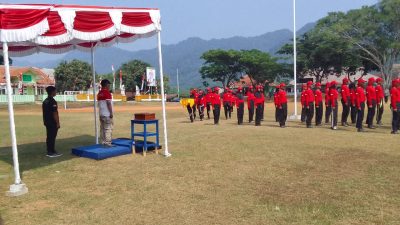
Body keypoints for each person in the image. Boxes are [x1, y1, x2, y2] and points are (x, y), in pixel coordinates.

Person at [42, 86, 62, 157]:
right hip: (52, 122)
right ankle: (51, 152)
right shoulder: (52, 101)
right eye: (55, 91)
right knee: (52, 137)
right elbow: (55, 113)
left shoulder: (45, 101)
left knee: (49, 137)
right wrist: (57, 123)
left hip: (47, 121)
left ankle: (51, 150)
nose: (56, 92)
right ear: (52, 92)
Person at [97, 79, 114, 146]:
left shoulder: (99, 93)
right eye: (109, 84)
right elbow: (108, 103)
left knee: (102, 129)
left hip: (101, 114)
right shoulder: (107, 93)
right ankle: (108, 143)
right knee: (108, 129)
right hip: (107, 114)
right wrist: (111, 113)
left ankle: (103, 142)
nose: (109, 86)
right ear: (106, 85)